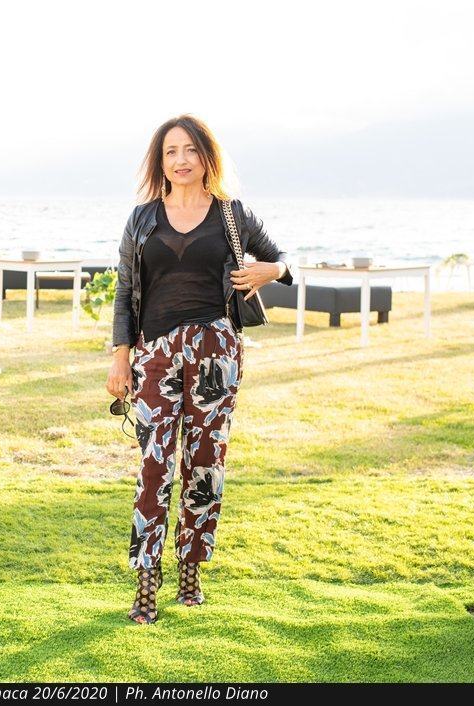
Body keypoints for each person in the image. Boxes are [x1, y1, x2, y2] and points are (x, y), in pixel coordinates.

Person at [106, 115, 293, 624]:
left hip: (217, 351)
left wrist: (270, 271)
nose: (181, 160)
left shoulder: (232, 214)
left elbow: (282, 261)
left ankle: (191, 568)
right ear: (160, 161)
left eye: (190, 149)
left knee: (205, 462)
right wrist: (121, 356)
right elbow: (125, 290)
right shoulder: (141, 219)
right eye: (171, 152)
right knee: (154, 465)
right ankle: (147, 577)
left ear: (207, 156)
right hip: (155, 353)